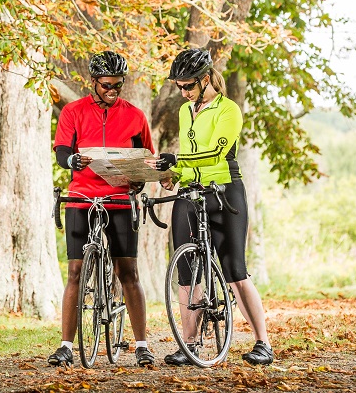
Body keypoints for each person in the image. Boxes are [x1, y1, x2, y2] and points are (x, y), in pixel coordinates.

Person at [157, 47, 275, 367]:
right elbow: (189, 157)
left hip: (224, 191)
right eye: (179, 87)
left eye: (188, 86)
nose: (183, 92)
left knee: (234, 269)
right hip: (190, 191)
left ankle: (262, 342)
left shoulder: (229, 110)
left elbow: (214, 155)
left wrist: (178, 161)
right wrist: (172, 175)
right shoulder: (186, 112)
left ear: (206, 78)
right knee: (185, 273)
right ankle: (189, 343)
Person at [47, 51, 158, 368]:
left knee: (129, 274)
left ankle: (141, 345)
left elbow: (145, 157)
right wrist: (72, 161)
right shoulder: (73, 111)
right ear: (93, 82)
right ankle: (66, 346)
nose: (113, 90)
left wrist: (141, 179)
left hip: (120, 199)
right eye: (107, 84)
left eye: (118, 85)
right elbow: (62, 152)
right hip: (82, 197)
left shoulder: (135, 115)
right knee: (74, 273)